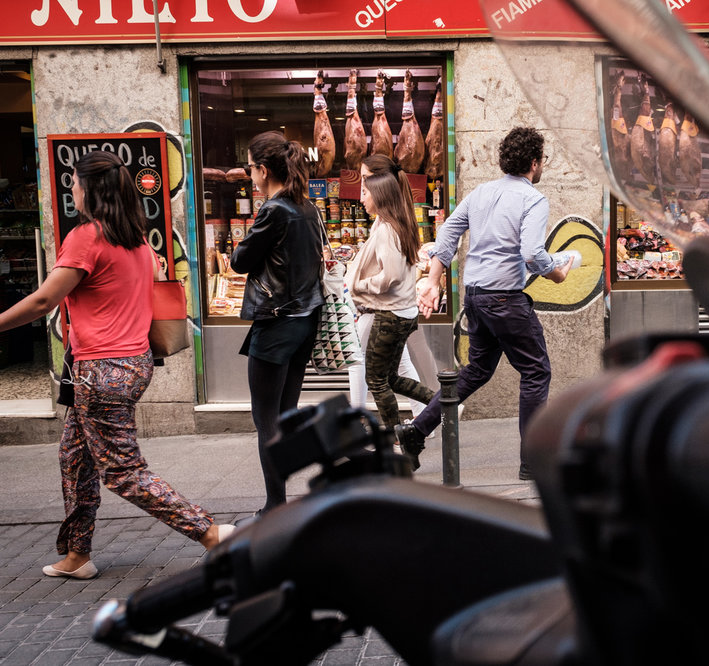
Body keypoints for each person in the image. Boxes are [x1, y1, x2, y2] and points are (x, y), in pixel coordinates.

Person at [0, 150, 232, 580]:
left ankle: (211, 532)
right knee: (74, 457)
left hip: (102, 370)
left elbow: (44, 299)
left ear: (91, 189)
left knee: (123, 471)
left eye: (73, 182)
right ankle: (76, 554)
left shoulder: (87, 237)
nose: (71, 189)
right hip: (132, 363)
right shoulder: (137, 240)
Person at [395, 127, 571, 480]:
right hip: (505, 300)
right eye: (541, 161)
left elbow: (446, 233)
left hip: (475, 298)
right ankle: (533, 462)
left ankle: (415, 431)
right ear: (535, 163)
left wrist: (433, 280)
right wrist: (556, 272)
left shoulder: (481, 193)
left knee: (477, 370)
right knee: (536, 372)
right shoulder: (532, 198)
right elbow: (533, 253)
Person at [231, 131, 324, 515]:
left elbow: (239, 261)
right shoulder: (308, 207)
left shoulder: (274, 209)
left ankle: (275, 505)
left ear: (264, 170)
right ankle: (282, 499)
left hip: (277, 320)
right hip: (305, 318)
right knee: (284, 415)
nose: (249, 175)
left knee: (266, 419)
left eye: (251, 168)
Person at [345, 160, 436, 446]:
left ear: (380, 187)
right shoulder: (395, 219)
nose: (361, 193)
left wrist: (359, 284)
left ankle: (401, 436)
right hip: (393, 309)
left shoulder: (387, 226)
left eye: (365, 184)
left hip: (385, 308)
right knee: (393, 373)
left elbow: (391, 274)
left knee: (373, 374)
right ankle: (434, 412)